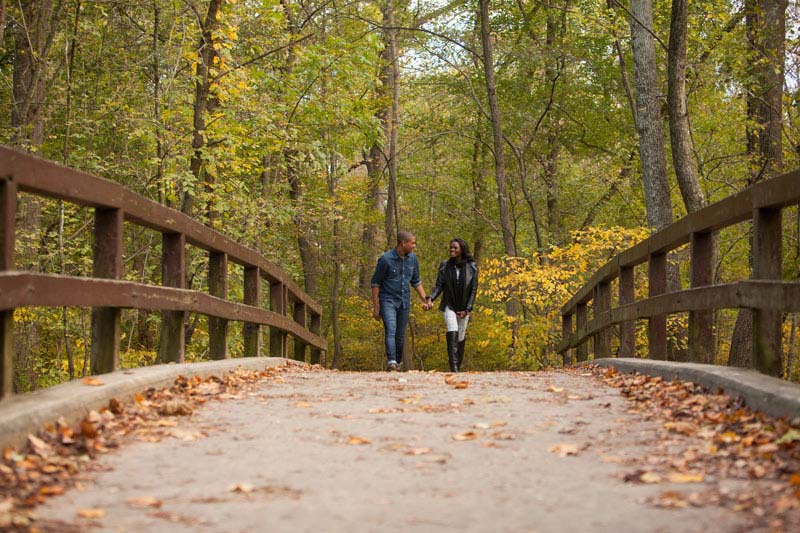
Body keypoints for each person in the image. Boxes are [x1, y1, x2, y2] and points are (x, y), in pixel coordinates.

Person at [371, 231, 432, 371]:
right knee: (391, 329)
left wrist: (425, 299)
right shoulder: (385, 259)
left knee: (400, 334)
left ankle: (397, 364)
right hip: (388, 300)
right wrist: (376, 307)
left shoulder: (413, 259)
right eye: (412, 243)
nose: (414, 246)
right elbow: (375, 284)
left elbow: (416, 281)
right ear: (403, 243)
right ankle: (391, 361)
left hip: (404, 301)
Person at [426, 238, 478, 372]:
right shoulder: (445, 266)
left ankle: (458, 367)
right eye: (451, 247)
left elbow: (473, 290)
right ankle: (453, 368)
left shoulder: (472, 267)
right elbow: (439, 286)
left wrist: (467, 309)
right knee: (452, 329)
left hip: (464, 306)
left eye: (455, 248)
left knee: (460, 336)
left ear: (462, 249)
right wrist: (430, 298)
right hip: (449, 304)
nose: (452, 250)